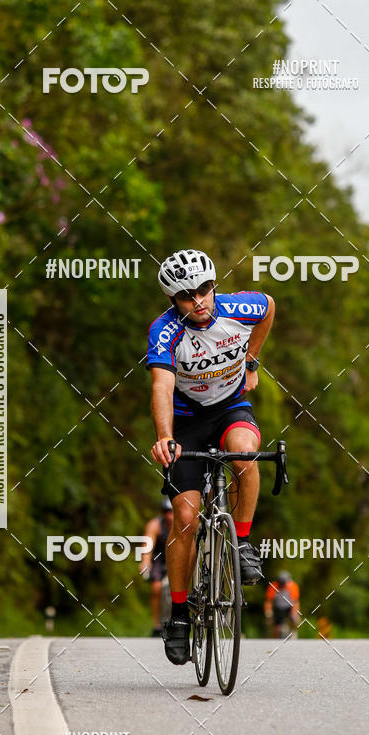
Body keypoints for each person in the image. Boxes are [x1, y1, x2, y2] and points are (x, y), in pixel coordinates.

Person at [147, 249, 275, 664]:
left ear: (214, 286)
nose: (198, 301)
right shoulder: (165, 332)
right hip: (185, 423)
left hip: (230, 410)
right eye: (187, 296)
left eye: (204, 290)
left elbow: (270, 307)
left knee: (245, 456)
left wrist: (252, 360)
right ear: (173, 301)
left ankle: (240, 544)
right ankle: (181, 615)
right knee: (185, 517)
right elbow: (162, 388)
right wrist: (165, 437)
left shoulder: (240, 307)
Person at [139, 497, 174, 636]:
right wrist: (145, 562)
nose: (169, 515)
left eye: (171, 511)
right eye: (165, 511)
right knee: (156, 588)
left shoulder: (181, 524)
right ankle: (157, 624)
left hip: (175, 559)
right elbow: (147, 545)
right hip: (158, 560)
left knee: (174, 590)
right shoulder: (155, 524)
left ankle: (173, 621)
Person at [264, 571, 300, 638]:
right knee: (276, 626)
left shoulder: (292, 586)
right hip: (278, 608)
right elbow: (269, 601)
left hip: (289, 607)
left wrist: (294, 614)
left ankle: (293, 631)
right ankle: (276, 640)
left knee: (294, 619)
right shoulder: (273, 586)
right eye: (281, 583)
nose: (282, 585)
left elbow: (295, 602)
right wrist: (268, 612)